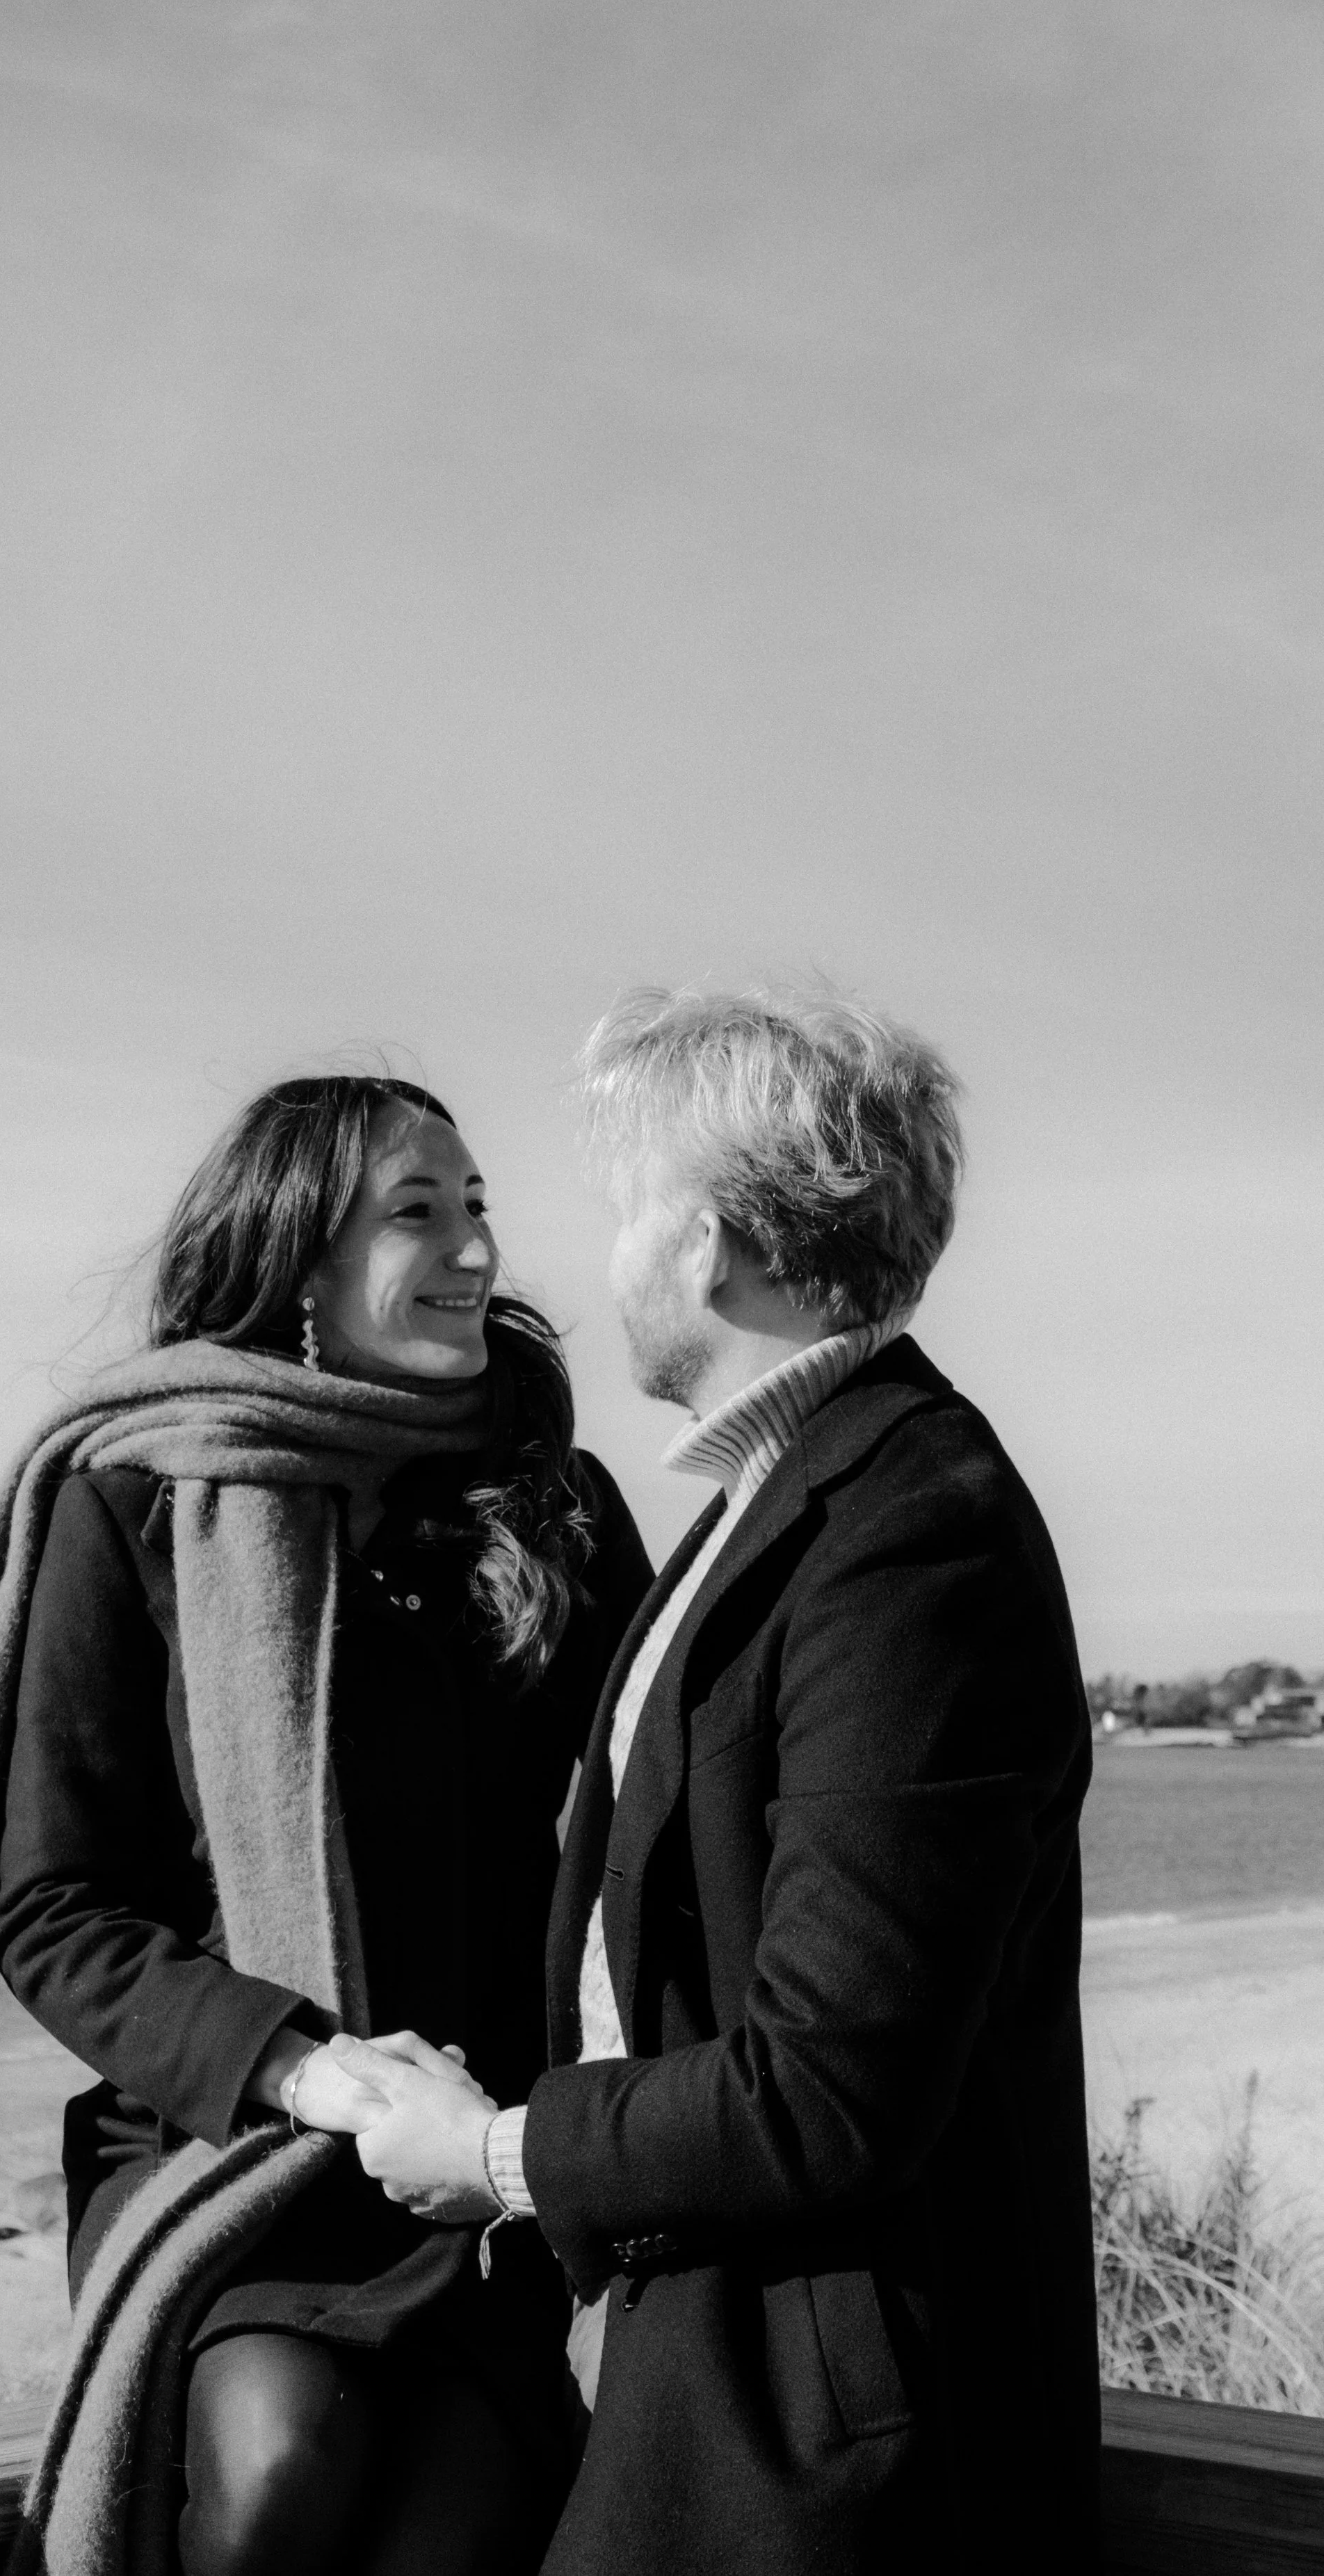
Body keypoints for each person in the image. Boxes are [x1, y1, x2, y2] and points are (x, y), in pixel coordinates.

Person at [343, 987, 1101, 2575]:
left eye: (627, 1209)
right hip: (696, 2362)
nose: (596, 1255)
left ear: (704, 1246)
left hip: (818, 2440)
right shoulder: (780, 1497)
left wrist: (492, 2156)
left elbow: (831, 2084)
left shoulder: (910, 1530)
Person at [0, 1073, 652, 2576]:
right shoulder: (137, 1507)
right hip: (235, 2153)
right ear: (293, 1257)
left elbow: (647, 1826)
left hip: (476, 2158)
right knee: (278, 2469)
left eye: (477, 1206)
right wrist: (301, 2070)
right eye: (416, 1213)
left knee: (450, 2535)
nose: (474, 1249)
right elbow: (54, 1911)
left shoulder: (551, 1507)